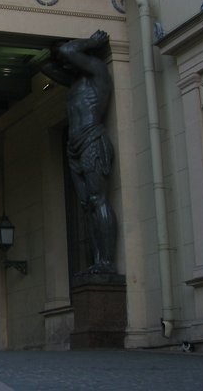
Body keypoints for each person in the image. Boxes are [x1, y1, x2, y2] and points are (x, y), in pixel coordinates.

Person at [42, 30, 117, 274]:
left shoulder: (97, 71)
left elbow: (67, 50)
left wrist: (90, 42)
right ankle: (97, 261)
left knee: (98, 200)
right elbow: (46, 66)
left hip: (92, 139)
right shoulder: (75, 82)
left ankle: (107, 262)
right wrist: (57, 50)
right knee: (86, 204)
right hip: (74, 146)